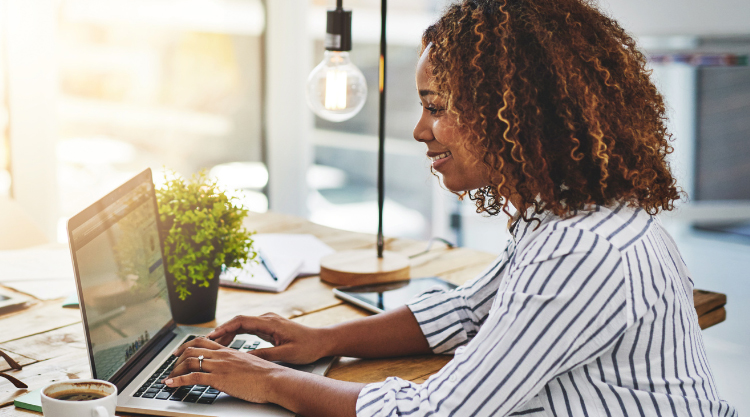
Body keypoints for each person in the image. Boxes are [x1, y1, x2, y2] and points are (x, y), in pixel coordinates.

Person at [164, 0, 737, 416]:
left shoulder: (582, 249)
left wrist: (264, 381)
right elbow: (466, 313)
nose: (420, 131)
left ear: (514, 113)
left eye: (436, 107)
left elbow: (432, 413)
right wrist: (325, 340)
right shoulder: (567, 216)